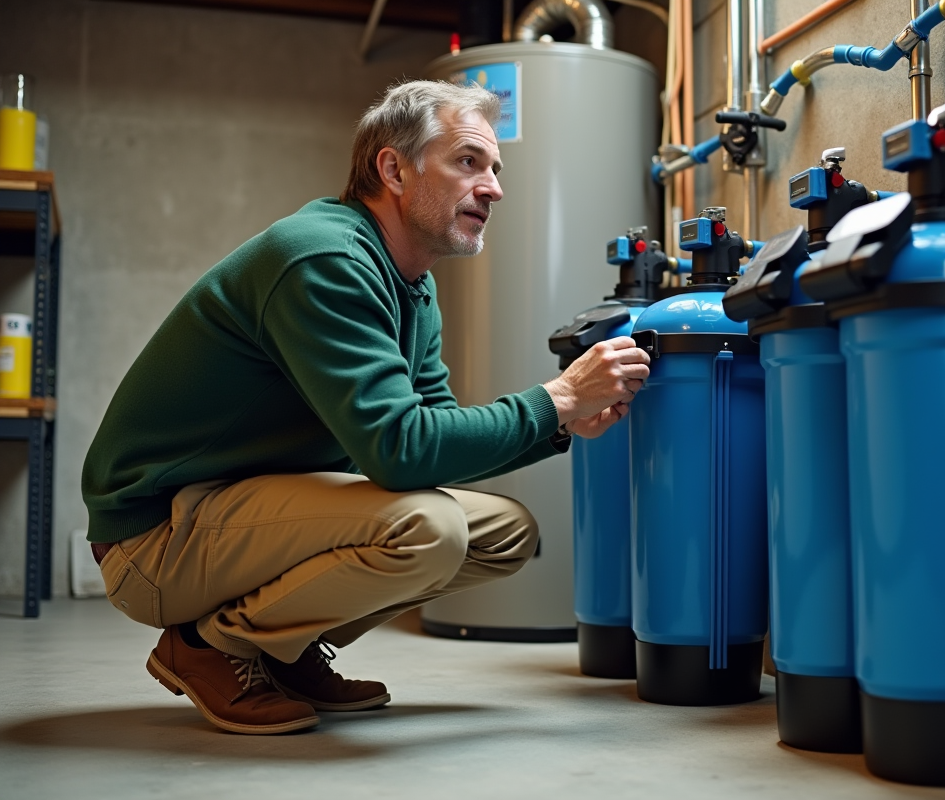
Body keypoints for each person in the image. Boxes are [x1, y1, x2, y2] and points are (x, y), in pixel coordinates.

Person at [81, 80, 651, 736]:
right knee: (429, 529)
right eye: (468, 161)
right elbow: (400, 450)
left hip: (239, 509)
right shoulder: (324, 259)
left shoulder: (412, 284)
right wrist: (554, 399)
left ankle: (281, 651)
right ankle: (210, 646)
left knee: (503, 532)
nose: (493, 187)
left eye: (496, 169)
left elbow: (431, 432)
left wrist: (560, 421)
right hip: (153, 538)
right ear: (393, 168)